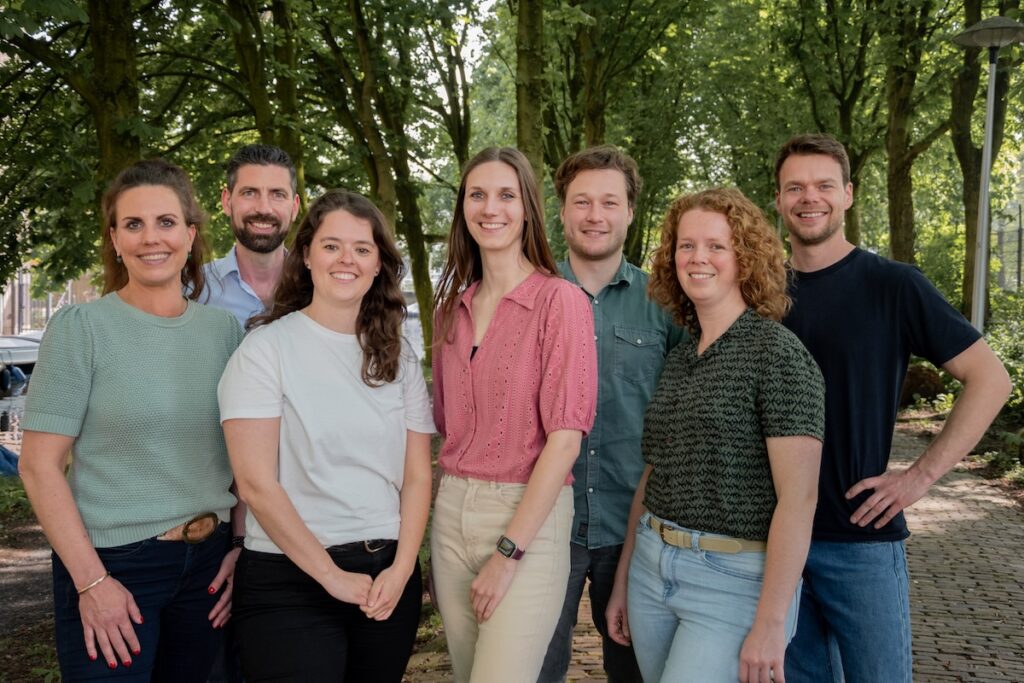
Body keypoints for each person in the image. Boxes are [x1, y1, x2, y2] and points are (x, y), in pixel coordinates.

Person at [775, 133, 1012, 683]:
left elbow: (990, 379)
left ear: (849, 193)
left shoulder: (893, 285)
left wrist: (919, 476)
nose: (810, 198)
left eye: (824, 185)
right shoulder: (763, 291)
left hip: (860, 538)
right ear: (780, 199)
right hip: (773, 541)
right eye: (795, 187)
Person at [18, 159, 244, 681]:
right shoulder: (82, 329)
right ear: (115, 240)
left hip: (208, 570)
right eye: (133, 225)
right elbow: (38, 466)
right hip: (114, 565)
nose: (151, 239)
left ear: (190, 235)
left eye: (166, 222)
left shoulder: (224, 333)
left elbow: (242, 459)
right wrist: (92, 582)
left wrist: (237, 547)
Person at [608, 187, 826, 683]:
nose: (697, 258)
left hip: (733, 583)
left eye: (715, 246)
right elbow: (654, 471)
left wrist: (771, 624)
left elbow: (800, 499)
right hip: (650, 568)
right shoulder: (681, 356)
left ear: (744, 259)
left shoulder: (779, 356)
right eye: (686, 245)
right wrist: (623, 578)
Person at [217, 189, 434, 682]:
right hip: (287, 579)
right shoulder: (264, 350)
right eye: (332, 245)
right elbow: (255, 485)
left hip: (385, 577)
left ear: (378, 264)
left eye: (362, 248)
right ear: (306, 254)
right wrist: (331, 577)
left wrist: (401, 572)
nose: (347, 260)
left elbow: (418, 477)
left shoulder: (395, 357)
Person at [430, 147, 598, 683]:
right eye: (476, 195)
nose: (490, 208)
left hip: (527, 516)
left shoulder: (561, 301)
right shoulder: (449, 312)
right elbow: (443, 426)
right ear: (462, 209)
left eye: (506, 194)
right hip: (451, 509)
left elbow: (565, 440)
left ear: (527, 208)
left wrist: (508, 552)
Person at [538, 145, 683, 683]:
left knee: (638, 672)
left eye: (609, 202)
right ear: (561, 211)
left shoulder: (667, 303)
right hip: (548, 523)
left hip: (639, 528)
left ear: (629, 212)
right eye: (582, 202)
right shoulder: (533, 297)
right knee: (535, 669)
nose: (595, 215)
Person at [203, 144, 300, 327]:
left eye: (277, 194)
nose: (263, 208)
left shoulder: (318, 289)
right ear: (227, 201)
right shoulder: (194, 291)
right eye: (249, 193)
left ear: (294, 207)